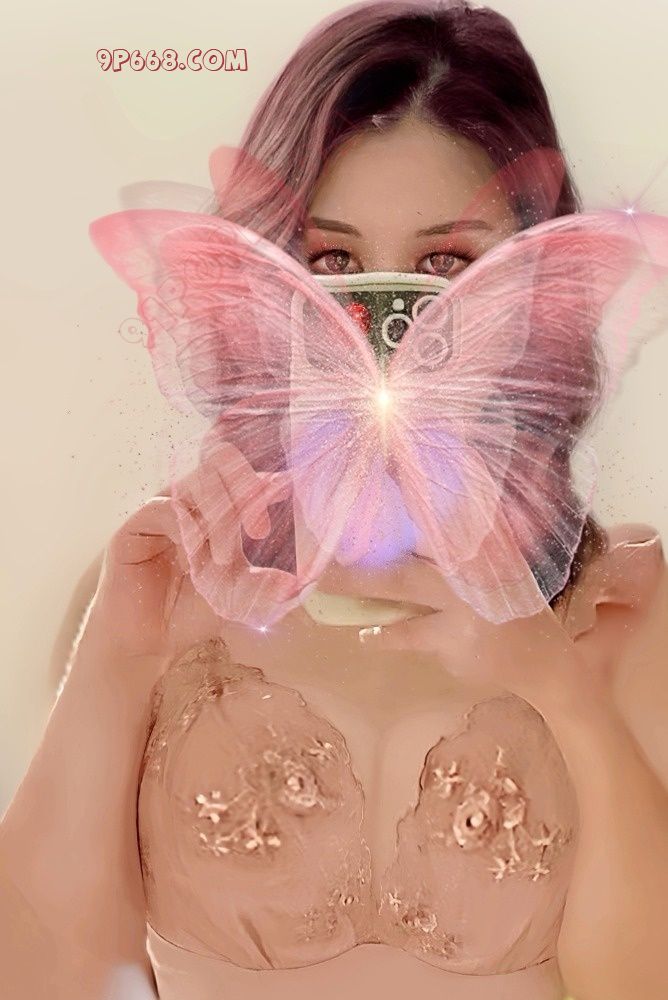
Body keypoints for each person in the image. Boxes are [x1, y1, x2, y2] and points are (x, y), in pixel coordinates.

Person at [2, 3, 668, 999]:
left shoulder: (621, 609)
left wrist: (557, 691)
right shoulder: (157, 589)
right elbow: (44, 976)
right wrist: (119, 652)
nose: (381, 333)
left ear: (535, 290)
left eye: (445, 264)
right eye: (332, 263)